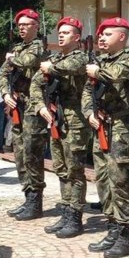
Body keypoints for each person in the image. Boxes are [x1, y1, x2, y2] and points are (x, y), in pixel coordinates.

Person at [83, 17, 129, 258]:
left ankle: (126, 234)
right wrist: (89, 112)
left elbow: (116, 75)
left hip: (122, 126)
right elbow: (87, 90)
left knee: (120, 180)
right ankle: (112, 227)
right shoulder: (101, 61)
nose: (102, 38)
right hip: (102, 124)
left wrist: (98, 71)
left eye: (107, 34)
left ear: (122, 37)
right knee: (104, 179)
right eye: (101, 35)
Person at [31, 16, 90, 238]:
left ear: (77, 37)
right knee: (61, 167)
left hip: (75, 121)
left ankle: (75, 216)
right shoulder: (54, 59)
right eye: (60, 32)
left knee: (75, 170)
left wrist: (50, 67)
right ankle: (66, 211)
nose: (61, 35)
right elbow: (36, 83)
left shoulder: (80, 58)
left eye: (66, 32)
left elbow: (71, 67)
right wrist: (40, 106)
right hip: (55, 118)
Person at [0, 8, 48, 221]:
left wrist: (11, 59)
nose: (21, 27)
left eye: (26, 24)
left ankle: (36, 201)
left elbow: (27, 61)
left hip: (32, 107)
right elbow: (3, 75)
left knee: (31, 153)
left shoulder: (38, 47)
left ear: (36, 27)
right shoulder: (16, 48)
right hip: (17, 105)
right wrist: (5, 92)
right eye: (19, 24)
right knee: (19, 153)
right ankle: (28, 197)